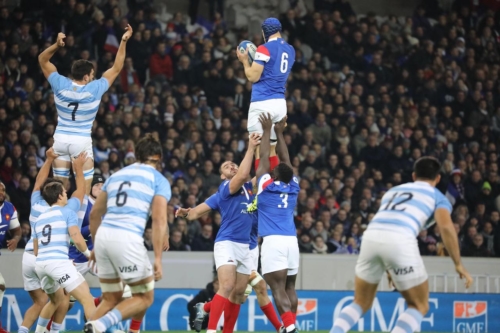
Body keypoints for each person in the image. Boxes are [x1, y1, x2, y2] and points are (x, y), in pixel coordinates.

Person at [330, 157, 474, 333]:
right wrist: (458, 264)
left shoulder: (393, 191)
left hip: (370, 237)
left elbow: (388, 221)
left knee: (360, 302)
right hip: (400, 240)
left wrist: (390, 265)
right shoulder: (438, 197)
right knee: (419, 305)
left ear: (414, 176)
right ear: (437, 179)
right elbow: (445, 226)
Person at [85, 135, 171, 333]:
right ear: (159, 157)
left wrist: (97, 246)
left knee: (110, 298)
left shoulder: (116, 175)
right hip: (127, 237)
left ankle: (93, 325)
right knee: (144, 297)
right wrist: (158, 258)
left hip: (104, 237)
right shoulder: (158, 180)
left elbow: (95, 215)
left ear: (138, 155)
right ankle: (101, 325)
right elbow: (159, 220)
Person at [175, 133, 261, 333]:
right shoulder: (225, 187)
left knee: (239, 295)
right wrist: (250, 147)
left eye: (234, 164)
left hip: (245, 247)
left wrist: (265, 144)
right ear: (222, 176)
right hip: (227, 243)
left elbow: (196, 211)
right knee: (227, 286)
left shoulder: (249, 188)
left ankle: (209, 313)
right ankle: (212, 330)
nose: (232, 166)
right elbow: (241, 175)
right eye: (226, 166)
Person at [38, 26, 132, 195]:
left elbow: (42, 60)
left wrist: (57, 46)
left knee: (58, 190)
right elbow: (117, 67)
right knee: (85, 191)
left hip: (60, 140)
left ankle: (58, 219)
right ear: (87, 76)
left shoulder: (60, 84)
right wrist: (124, 41)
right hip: (81, 142)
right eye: (92, 74)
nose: (94, 77)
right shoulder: (94, 89)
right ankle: (80, 220)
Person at [32, 153, 96, 333]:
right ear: (60, 196)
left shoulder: (40, 217)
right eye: (65, 192)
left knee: (56, 301)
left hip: (41, 265)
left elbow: (36, 250)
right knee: (87, 299)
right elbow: (76, 237)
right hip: (57, 263)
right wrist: (89, 255)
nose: (67, 194)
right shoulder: (66, 212)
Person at [190, 215, 283, 333]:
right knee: (260, 286)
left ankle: (205, 307)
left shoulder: (264, 202)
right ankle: (279, 328)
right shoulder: (242, 200)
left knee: (240, 297)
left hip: (252, 250)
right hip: (236, 249)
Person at [253, 114, 300, 333]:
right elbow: (286, 160)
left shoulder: (266, 186)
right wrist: (279, 133)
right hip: (292, 242)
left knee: (277, 288)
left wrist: (266, 131)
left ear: (274, 174)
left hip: (273, 242)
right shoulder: (294, 186)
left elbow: (263, 157)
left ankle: (289, 329)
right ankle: (293, 324)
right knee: (290, 286)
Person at [18, 148, 69, 333]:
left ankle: (23, 330)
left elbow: (38, 183)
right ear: (59, 196)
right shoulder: (62, 212)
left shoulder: (36, 205)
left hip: (28, 258)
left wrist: (48, 160)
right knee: (62, 299)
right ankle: (52, 331)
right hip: (45, 258)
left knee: (40, 302)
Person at [236, 17, 295, 172]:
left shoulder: (264, 48)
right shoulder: (290, 50)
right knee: (272, 149)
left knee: (258, 150)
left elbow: (252, 77)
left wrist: (244, 61)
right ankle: (274, 186)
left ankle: (261, 190)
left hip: (262, 102)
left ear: (264, 32)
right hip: (280, 104)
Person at [0, 181, 22, 333]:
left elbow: (17, 231)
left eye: (3, 189)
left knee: (0, 286)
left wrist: (15, 239)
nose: (1, 192)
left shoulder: (9, 208)